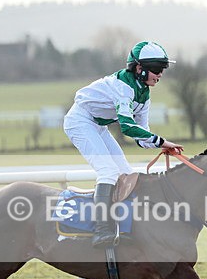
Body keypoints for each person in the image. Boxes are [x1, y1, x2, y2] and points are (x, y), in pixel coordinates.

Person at [64, 41, 184, 248]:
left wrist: (160, 145)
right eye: (156, 69)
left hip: (98, 126)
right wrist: (161, 141)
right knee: (108, 171)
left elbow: (141, 136)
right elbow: (128, 127)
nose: (160, 74)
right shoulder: (123, 86)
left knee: (126, 174)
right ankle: (102, 231)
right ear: (139, 68)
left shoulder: (144, 93)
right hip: (80, 121)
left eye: (162, 69)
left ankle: (124, 227)